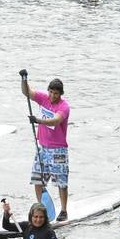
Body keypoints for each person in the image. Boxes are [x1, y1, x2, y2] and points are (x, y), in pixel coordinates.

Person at [22, 75, 70, 219]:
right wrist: (24, 79)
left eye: (56, 93)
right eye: (50, 92)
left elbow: (55, 121)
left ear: (60, 94)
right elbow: (27, 92)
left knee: (61, 182)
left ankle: (63, 211)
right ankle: (41, 210)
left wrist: (37, 120)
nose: (52, 96)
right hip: (42, 148)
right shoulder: (43, 98)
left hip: (58, 150)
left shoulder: (64, 106)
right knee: (38, 180)